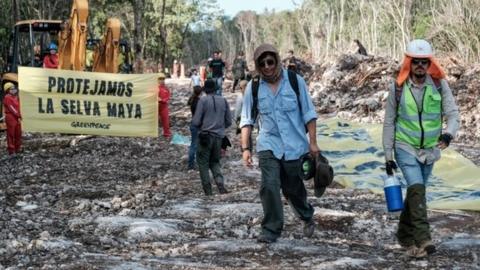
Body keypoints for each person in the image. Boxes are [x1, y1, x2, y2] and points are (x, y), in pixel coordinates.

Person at [383, 39, 459, 258]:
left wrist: (449, 134)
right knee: (416, 189)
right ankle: (423, 239)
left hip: (430, 151)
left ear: (429, 63)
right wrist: (388, 156)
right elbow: (389, 123)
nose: (419, 66)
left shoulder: (439, 85)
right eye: (415, 61)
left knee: (417, 193)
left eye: (424, 62)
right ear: (409, 62)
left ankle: (404, 235)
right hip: (405, 147)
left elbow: (453, 114)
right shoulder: (397, 88)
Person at [240, 44, 319, 243]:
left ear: (276, 60)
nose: (267, 67)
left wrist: (313, 143)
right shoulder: (254, 86)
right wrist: (246, 149)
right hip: (269, 144)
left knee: (293, 189)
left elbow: (309, 113)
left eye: (270, 62)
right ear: (258, 66)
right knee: (269, 185)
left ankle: (306, 215)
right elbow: (247, 119)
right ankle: (271, 229)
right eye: (262, 63)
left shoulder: (295, 81)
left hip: (295, 146)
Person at [192, 79, 232, 195]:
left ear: (205, 90)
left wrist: (202, 125)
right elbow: (229, 121)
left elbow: (196, 121)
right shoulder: (223, 101)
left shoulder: (203, 101)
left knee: (203, 163)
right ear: (215, 89)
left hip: (205, 137)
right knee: (215, 162)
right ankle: (220, 183)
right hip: (219, 137)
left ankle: (208, 191)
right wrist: (219, 126)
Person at [3, 83, 22, 155]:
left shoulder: (15, 97)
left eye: (14, 88)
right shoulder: (7, 97)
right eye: (12, 89)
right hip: (11, 117)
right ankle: (11, 150)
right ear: (8, 90)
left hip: (17, 117)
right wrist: (18, 115)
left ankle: (17, 149)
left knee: (18, 133)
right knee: (11, 134)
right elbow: (12, 108)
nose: (14, 90)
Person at [187, 85, 203, 170]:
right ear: (201, 92)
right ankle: (193, 163)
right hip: (199, 125)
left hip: (193, 123)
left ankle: (191, 164)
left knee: (193, 144)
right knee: (196, 145)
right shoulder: (199, 102)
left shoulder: (192, 100)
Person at [157, 73, 172, 139]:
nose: (162, 80)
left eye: (163, 79)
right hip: (155, 106)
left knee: (165, 120)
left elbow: (168, 97)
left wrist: (162, 100)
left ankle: (167, 133)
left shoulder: (166, 88)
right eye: (160, 79)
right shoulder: (154, 88)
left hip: (163, 106)